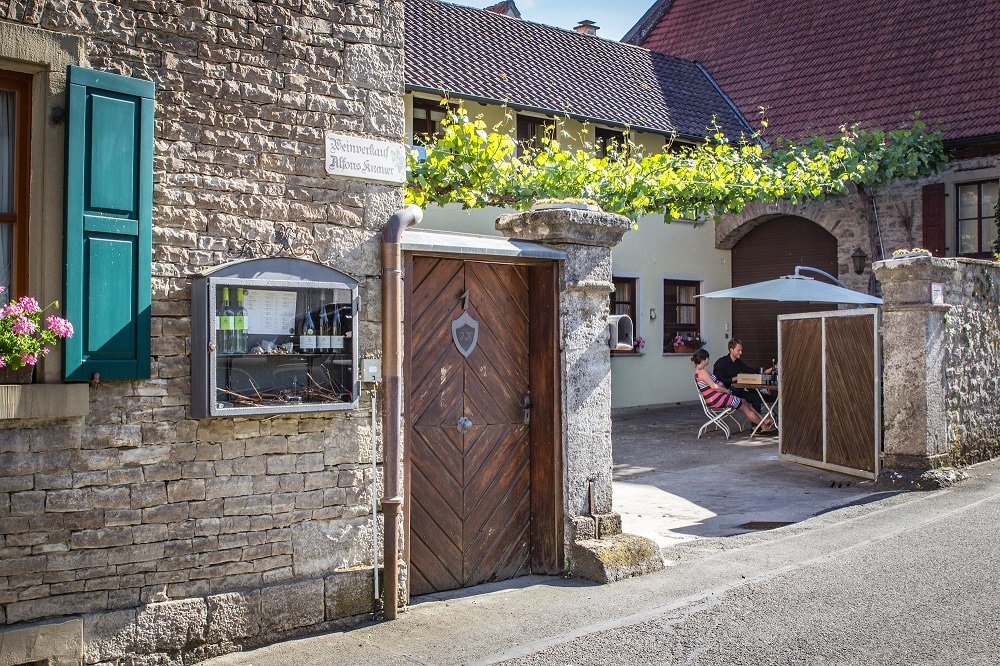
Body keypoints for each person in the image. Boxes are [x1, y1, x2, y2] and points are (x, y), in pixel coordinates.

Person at [692, 348, 774, 432]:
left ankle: (764, 420)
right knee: (744, 407)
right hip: (716, 399)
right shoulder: (702, 372)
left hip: (718, 397)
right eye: (707, 358)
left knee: (744, 401)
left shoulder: (701, 371)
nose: (708, 359)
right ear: (703, 360)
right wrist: (726, 391)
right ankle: (763, 426)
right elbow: (714, 387)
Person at [712, 338, 774, 412]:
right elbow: (718, 381)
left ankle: (757, 423)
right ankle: (765, 395)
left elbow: (750, 370)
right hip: (724, 392)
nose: (741, 352)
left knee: (755, 398)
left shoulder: (738, 362)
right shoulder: (721, 362)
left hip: (736, 390)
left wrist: (766, 371)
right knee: (744, 387)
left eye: (741, 350)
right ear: (731, 349)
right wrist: (735, 378)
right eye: (738, 350)